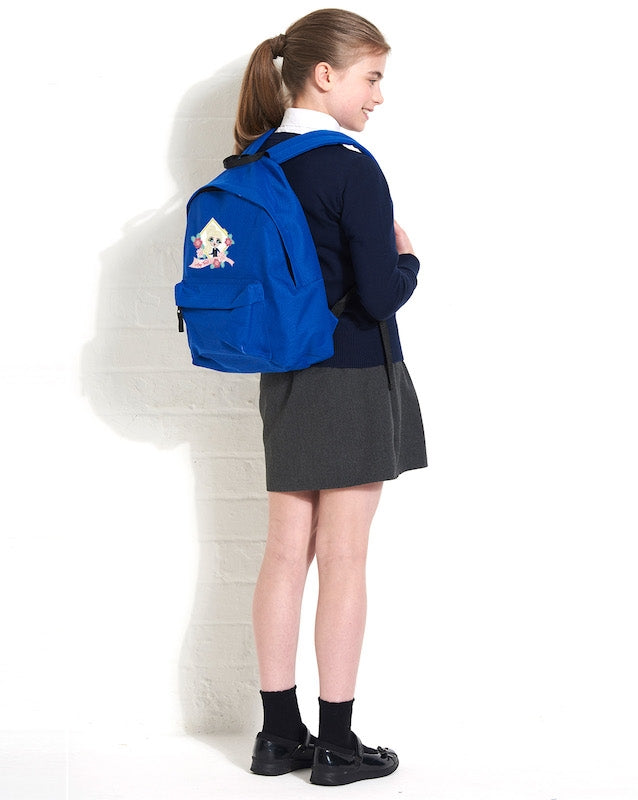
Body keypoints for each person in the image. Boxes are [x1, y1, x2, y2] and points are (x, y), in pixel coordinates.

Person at [235, 9, 427, 786]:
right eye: (371, 78)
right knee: (344, 557)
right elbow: (377, 296)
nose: (379, 95)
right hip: (349, 375)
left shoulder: (257, 159)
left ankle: (278, 736)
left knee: (285, 553)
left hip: (284, 375)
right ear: (325, 74)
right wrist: (410, 263)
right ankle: (339, 746)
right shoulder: (350, 165)